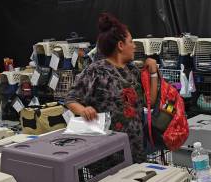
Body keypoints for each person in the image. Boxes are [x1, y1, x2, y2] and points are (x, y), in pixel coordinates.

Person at [65, 13, 159, 163]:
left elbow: (151, 101)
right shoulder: (96, 71)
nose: (134, 46)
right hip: (108, 153)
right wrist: (83, 110)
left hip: (136, 148)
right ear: (121, 45)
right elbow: (71, 99)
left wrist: (153, 72)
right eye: (131, 41)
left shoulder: (132, 70)